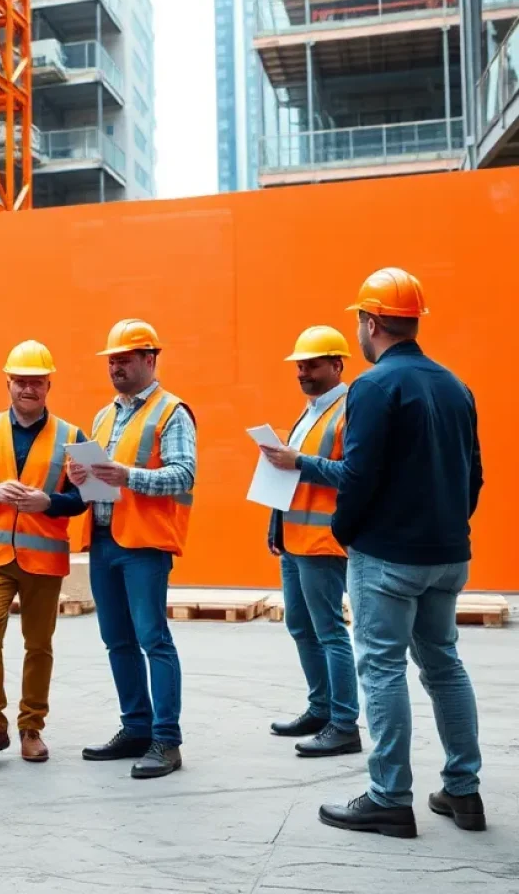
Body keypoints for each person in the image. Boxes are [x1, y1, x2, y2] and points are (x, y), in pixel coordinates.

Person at [319, 268, 484, 839]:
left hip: (388, 555)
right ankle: (463, 790)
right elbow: (473, 476)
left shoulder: (373, 387)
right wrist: (448, 529)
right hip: (447, 553)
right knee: (443, 664)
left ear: (370, 322)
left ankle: (389, 797)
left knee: (383, 668)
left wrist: (345, 531)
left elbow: (358, 474)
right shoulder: (455, 385)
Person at [0, 340, 86, 764]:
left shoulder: (72, 436)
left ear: (49, 385)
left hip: (44, 558)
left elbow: (85, 497)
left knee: (39, 644)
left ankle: (31, 727)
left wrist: (50, 502)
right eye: (21, 381)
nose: (28, 388)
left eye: (37, 382)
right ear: (8, 383)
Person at [72, 319, 195, 780]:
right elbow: (100, 477)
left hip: (144, 544)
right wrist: (80, 476)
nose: (116, 368)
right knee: (117, 641)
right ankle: (137, 727)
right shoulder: (104, 416)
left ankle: (166, 740)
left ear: (150, 359)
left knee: (153, 639)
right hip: (104, 539)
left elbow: (183, 475)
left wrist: (127, 476)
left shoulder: (172, 412)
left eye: (124, 360)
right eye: (112, 361)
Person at [258, 326, 361, 758]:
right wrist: (276, 523)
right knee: (300, 627)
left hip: (321, 540)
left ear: (337, 365)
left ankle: (344, 723)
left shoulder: (348, 411)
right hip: (294, 538)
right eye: (300, 366)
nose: (302, 372)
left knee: (329, 632)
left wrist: (297, 459)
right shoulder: (311, 412)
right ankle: (321, 709)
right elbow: (291, 473)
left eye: (312, 365)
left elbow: (352, 474)